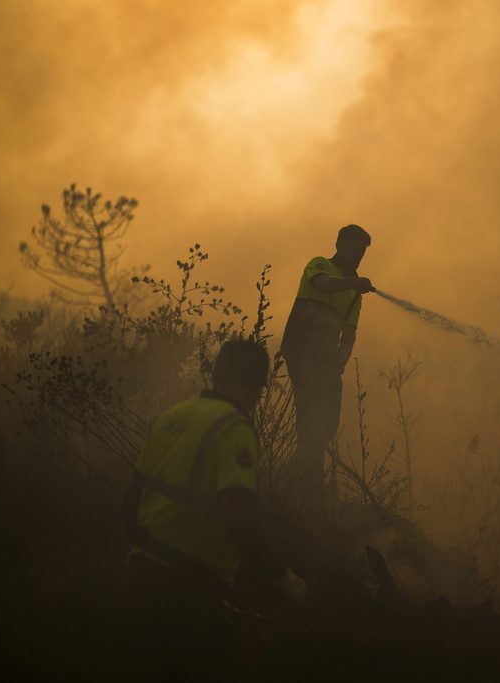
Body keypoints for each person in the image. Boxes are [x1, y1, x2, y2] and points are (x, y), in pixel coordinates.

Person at [125, 338, 306, 680]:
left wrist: (145, 554)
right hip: (188, 591)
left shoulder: (170, 416)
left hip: (140, 576)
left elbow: (130, 499)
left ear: (217, 372)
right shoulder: (234, 428)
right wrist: (284, 579)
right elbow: (240, 516)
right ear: (257, 387)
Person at [280, 224, 373, 493]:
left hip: (324, 360)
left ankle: (306, 467)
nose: (358, 254)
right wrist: (353, 282)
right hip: (301, 348)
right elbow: (322, 285)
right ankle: (304, 475)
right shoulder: (319, 265)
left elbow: (350, 334)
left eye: (362, 251)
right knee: (312, 407)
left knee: (328, 412)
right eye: (354, 247)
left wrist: (340, 363)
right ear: (339, 244)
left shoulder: (355, 292)